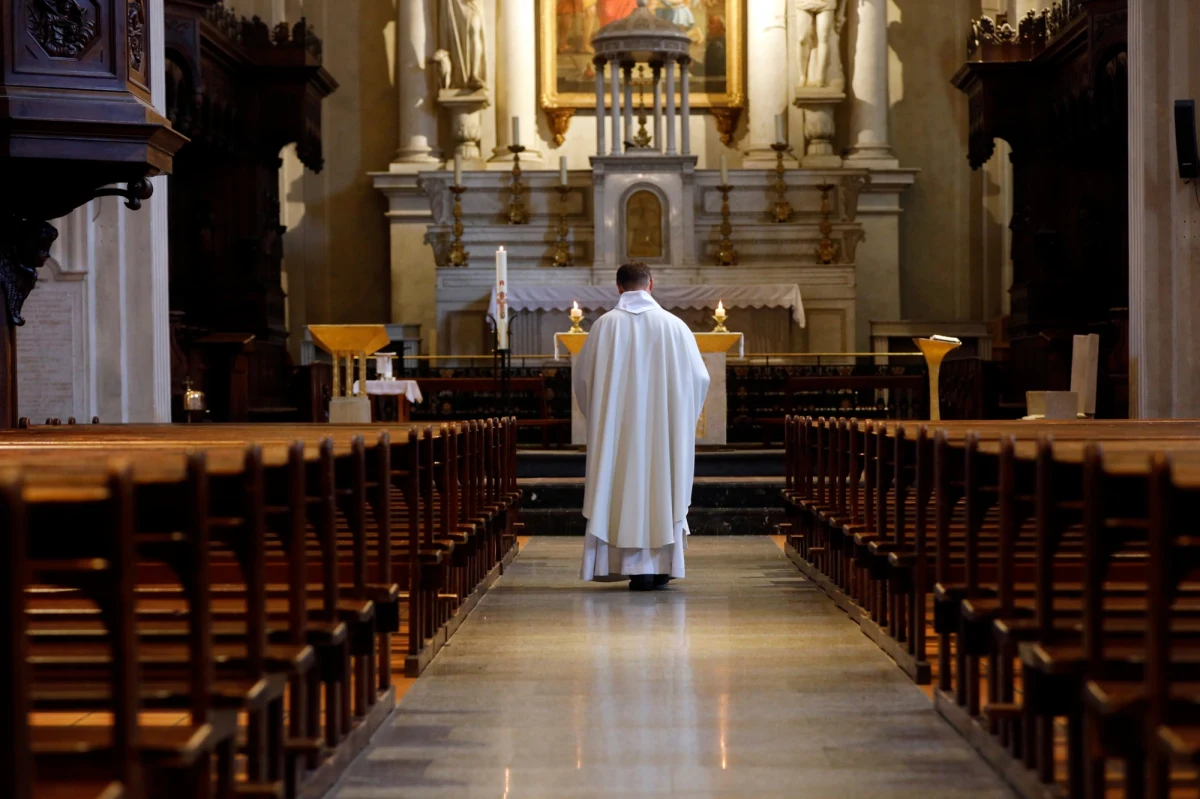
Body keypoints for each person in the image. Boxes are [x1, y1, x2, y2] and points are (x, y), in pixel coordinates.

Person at [575, 263, 710, 590]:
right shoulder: (675, 326)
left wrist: (602, 419)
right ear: (651, 284)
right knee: (661, 489)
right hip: (663, 437)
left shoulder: (604, 327)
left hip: (618, 436)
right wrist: (680, 419)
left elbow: (582, 381)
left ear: (619, 287)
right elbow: (700, 378)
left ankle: (619, 563)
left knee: (617, 488)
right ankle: (661, 565)